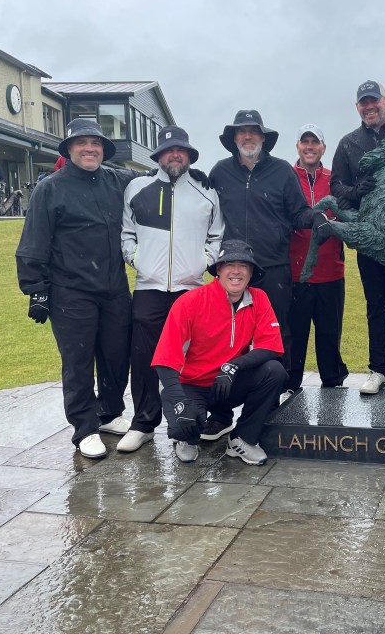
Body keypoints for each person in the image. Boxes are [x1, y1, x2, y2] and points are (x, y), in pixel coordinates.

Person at [16, 119, 136, 459]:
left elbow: (153, 180)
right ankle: (84, 427)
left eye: (95, 143)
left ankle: (109, 413)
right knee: (78, 361)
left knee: (116, 355)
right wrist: (36, 290)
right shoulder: (51, 188)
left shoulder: (117, 180)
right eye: (81, 143)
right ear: (69, 149)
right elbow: (33, 243)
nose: (89, 148)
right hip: (70, 291)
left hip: (113, 287)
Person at [118, 125, 223, 452]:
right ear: (159, 155)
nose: (174, 155)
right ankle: (143, 424)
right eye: (168, 150)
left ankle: (186, 429)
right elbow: (127, 235)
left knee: (191, 364)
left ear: (189, 156)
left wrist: (200, 263)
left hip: (190, 291)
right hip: (148, 290)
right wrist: (140, 261)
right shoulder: (137, 187)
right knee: (146, 360)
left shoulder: (206, 192)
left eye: (181, 151)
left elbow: (216, 237)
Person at [208, 110, 322, 393]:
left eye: (253, 131)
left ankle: (279, 392)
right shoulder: (219, 172)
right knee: (228, 334)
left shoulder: (281, 170)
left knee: (277, 331)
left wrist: (318, 218)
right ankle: (225, 400)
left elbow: (298, 213)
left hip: (273, 267)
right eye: (241, 132)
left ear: (262, 137)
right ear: (234, 138)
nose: (248, 136)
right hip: (232, 269)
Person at [152, 240, 286, 465]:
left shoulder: (259, 298)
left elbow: (271, 346)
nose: (236, 271)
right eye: (229, 265)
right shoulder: (191, 302)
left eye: (243, 265)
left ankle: (242, 439)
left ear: (251, 272)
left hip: (227, 383)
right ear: (218, 271)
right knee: (183, 427)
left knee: (274, 371)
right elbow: (164, 359)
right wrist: (178, 400)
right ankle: (187, 438)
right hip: (191, 384)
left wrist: (233, 366)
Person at [331, 80, 385, 395]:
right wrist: (355, 192)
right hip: (369, 237)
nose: (369, 107)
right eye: (363, 103)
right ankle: (378, 369)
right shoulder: (349, 143)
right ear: (357, 108)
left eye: (374, 101)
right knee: (375, 303)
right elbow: (337, 188)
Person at [287, 124, 349, 397]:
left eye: (315, 142)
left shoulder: (334, 178)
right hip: (295, 272)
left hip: (331, 271)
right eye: (305, 142)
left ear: (324, 147)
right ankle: (290, 384)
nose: (310, 147)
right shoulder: (286, 176)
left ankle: (333, 382)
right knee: (295, 334)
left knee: (329, 334)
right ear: (298, 146)